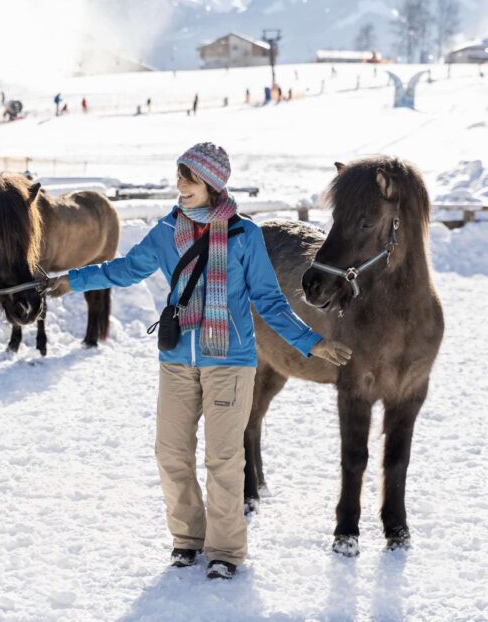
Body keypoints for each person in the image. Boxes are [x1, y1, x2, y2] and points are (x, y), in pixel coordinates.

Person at [48, 142, 352, 580]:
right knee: (171, 453)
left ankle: (226, 551)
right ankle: (187, 541)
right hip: (177, 358)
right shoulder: (167, 231)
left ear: (212, 183)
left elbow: (268, 300)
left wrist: (312, 343)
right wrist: (69, 282)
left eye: (188, 180)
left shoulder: (244, 235)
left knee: (224, 459)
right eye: (179, 180)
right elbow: (127, 268)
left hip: (230, 361)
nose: (181, 188)